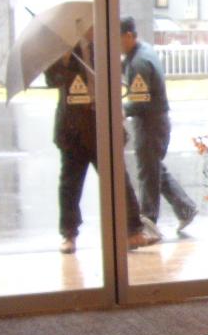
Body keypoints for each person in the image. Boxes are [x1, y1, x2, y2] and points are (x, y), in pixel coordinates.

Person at [44, 35, 159, 254]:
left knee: (119, 178)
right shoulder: (63, 46)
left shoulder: (103, 45)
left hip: (101, 125)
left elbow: (115, 79)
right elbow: (52, 80)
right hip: (72, 128)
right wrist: (64, 60)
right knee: (70, 183)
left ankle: (133, 231)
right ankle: (69, 234)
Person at [120, 16, 198, 233]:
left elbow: (141, 101)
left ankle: (148, 221)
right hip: (156, 122)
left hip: (150, 124)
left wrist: (123, 110)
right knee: (153, 168)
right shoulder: (141, 52)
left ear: (128, 36)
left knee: (148, 173)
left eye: (117, 39)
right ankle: (185, 208)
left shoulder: (139, 62)